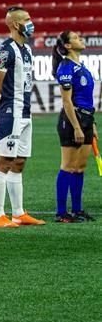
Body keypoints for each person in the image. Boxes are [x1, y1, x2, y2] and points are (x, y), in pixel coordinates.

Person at [0, 6, 45, 228]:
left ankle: (19, 213)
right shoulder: (6, 50)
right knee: (4, 160)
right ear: (14, 24)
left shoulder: (27, 50)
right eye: (27, 20)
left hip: (25, 111)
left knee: (19, 162)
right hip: (10, 112)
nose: (30, 23)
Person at [52, 31, 96, 223]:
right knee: (68, 166)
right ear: (68, 46)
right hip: (72, 120)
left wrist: (91, 124)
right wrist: (77, 127)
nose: (81, 39)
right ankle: (61, 213)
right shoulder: (66, 68)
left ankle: (77, 209)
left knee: (80, 167)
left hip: (86, 119)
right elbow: (67, 102)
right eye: (77, 38)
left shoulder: (81, 66)